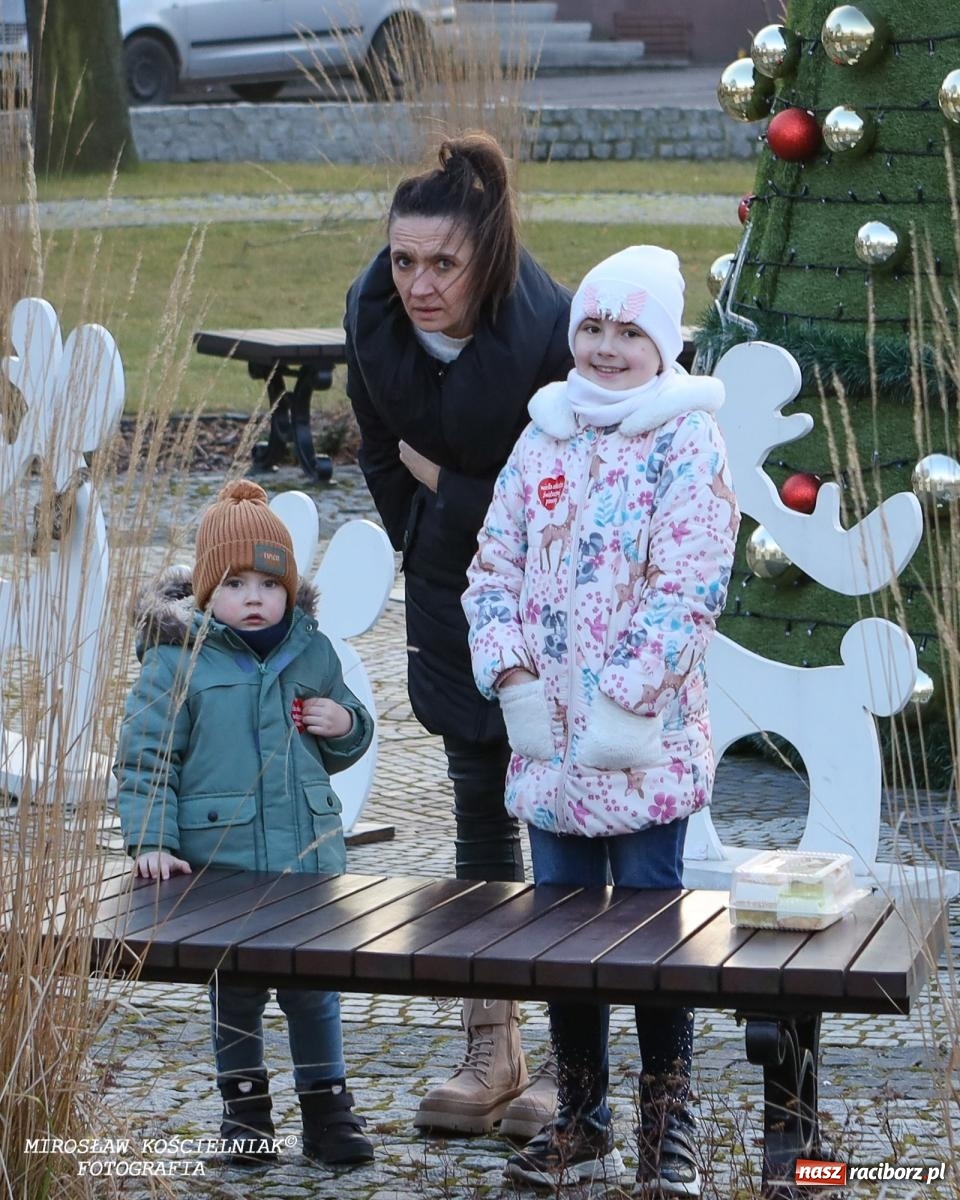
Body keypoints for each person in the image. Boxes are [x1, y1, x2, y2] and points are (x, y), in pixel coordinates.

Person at [462, 245, 739, 1196]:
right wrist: (512, 673)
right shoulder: (545, 436)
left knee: (654, 933)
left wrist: (627, 697)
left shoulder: (685, 440)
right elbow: (491, 567)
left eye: (629, 331)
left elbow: (691, 582)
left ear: (663, 346)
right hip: (550, 750)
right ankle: (581, 1116)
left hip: (644, 746)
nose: (607, 347)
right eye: (592, 327)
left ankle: (669, 1122)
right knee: (562, 934)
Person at [343, 131, 572, 1138]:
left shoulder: (554, 332)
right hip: (448, 587)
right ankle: (493, 1044)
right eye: (404, 260)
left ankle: (574, 1058)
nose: (419, 285)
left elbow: (565, 493)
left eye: (443, 263)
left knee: (569, 821)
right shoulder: (374, 323)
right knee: (478, 812)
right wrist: (433, 524)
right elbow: (378, 453)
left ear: (488, 255)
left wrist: (452, 486)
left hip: (556, 598)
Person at [115, 480, 376, 1170]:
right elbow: (148, 757)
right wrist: (152, 840)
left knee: (314, 986)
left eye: (268, 583)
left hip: (306, 860)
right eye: (234, 584)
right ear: (207, 592)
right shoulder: (176, 660)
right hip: (221, 864)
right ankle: (245, 1112)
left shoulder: (313, 653)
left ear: (289, 590)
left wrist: (344, 723)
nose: (254, 597)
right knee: (235, 990)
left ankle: (328, 1108)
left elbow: (345, 740)